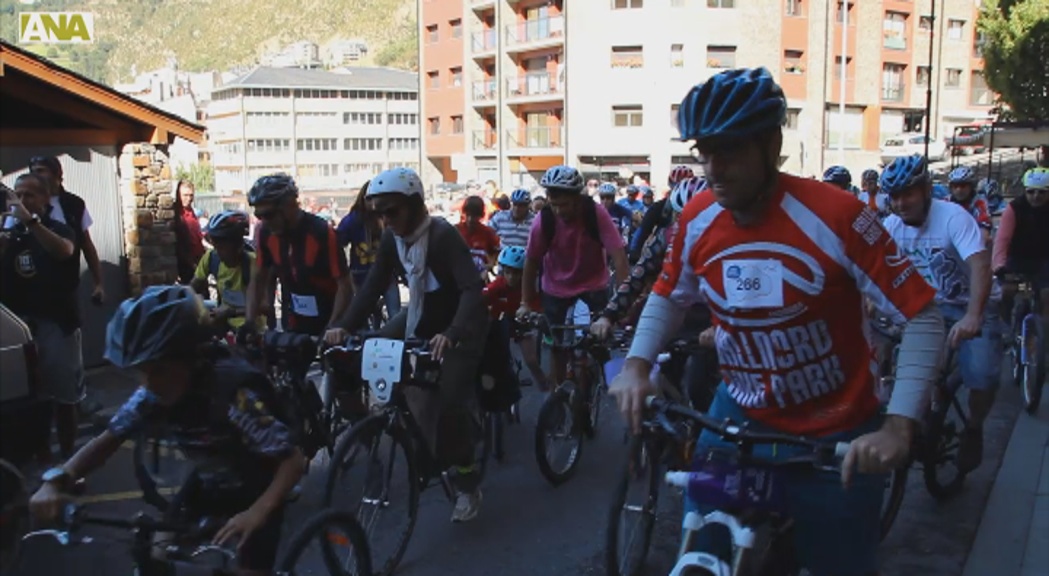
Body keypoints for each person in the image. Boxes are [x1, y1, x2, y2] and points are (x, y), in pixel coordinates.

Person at [608, 67, 945, 576]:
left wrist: (899, 428)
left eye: (730, 151)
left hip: (838, 431)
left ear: (771, 144)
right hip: (736, 418)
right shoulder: (697, 216)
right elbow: (669, 293)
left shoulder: (839, 215)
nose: (713, 168)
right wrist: (635, 365)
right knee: (706, 554)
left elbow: (922, 315)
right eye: (704, 151)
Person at [29, 286, 305, 576]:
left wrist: (257, 512)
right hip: (210, 480)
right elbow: (109, 440)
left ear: (190, 357)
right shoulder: (153, 394)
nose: (149, 385)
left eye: (158, 370)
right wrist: (58, 480)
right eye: (142, 372)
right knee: (157, 554)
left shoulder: (233, 398)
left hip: (258, 485)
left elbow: (293, 460)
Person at [323, 167, 488, 523]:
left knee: (447, 406)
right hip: (419, 315)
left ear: (414, 205)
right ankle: (404, 422)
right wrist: (343, 328)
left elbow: (472, 290)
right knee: (371, 347)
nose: (385, 219)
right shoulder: (390, 239)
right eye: (379, 213)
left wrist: (453, 333)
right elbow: (371, 289)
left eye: (392, 211)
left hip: (460, 324)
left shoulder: (442, 235)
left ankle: (467, 483)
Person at [881, 154, 1000, 473]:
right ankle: (927, 413)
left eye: (908, 194)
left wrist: (974, 315)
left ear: (925, 191)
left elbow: (979, 265)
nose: (901, 203)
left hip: (971, 302)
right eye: (894, 197)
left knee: (983, 373)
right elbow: (877, 268)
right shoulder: (892, 225)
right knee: (909, 364)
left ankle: (973, 428)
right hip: (928, 307)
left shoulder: (953, 218)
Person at [592, 176, 720, 410]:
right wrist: (608, 315)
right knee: (658, 390)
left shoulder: (727, 240)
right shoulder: (665, 237)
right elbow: (636, 279)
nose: (688, 227)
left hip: (711, 324)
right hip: (675, 319)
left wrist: (721, 328)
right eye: (680, 218)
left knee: (698, 387)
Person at [517, 165, 629, 431]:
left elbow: (620, 257)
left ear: (578, 198)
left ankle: (597, 376)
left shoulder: (596, 214)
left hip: (593, 285)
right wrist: (524, 303)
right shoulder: (543, 220)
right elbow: (531, 263)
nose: (560, 211)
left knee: (598, 340)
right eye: (554, 204)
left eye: (565, 205)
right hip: (555, 287)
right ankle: (557, 397)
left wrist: (623, 303)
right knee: (557, 347)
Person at [0, 174, 81, 463]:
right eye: (17, 196)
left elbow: (64, 251)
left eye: (29, 196)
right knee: (31, 399)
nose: (21, 202)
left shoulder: (59, 228)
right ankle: (44, 458)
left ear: (46, 199)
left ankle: (72, 462)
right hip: (20, 329)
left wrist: (31, 223)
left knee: (63, 398)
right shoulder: (9, 233)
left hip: (56, 325)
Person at [243, 173, 352, 338]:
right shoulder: (266, 233)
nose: (264, 221)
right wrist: (249, 322)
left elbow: (344, 285)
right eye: (259, 216)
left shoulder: (321, 231)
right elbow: (258, 278)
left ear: (289, 206)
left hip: (329, 316)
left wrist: (333, 326)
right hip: (294, 318)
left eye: (269, 214)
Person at [993, 167, 1049, 336]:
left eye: (1042, 192)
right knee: (1006, 291)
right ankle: (1005, 325)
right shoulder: (1014, 209)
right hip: (1017, 257)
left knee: (1046, 295)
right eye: (1031, 192)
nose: (1036, 196)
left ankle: (1044, 334)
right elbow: (1002, 240)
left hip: (1044, 259)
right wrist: (999, 266)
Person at [336, 181, 402, 322]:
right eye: (370, 199)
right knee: (361, 316)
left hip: (387, 275)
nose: (373, 205)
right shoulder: (352, 220)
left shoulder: (386, 218)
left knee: (395, 314)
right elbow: (337, 243)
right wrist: (344, 271)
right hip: (361, 276)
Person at [484, 245, 547, 390]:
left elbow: (538, 307)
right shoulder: (497, 286)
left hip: (521, 324)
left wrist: (533, 314)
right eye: (508, 272)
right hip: (499, 323)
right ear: (502, 271)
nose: (512, 277)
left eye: (517, 273)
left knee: (531, 360)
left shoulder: (529, 287)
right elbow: (480, 299)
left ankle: (544, 385)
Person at [191, 210, 265, 333]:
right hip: (225, 324)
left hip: (251, 328)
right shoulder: (211, 258)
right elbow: (193, 286)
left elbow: (264, 307)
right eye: (216, 246)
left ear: (238, 245)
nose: (218, 253)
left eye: (223, 248)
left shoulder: (253, 263)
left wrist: (232, 312)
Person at [456, 195, 501, 280]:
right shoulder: (456, 230)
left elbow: (496, 251)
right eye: (468, 215)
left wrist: (490, 265)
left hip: (480, 278)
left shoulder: (487, 232)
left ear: (480, 216)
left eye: (474, 216)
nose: (470, 219)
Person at [947, 165, 993, 245]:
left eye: (963, 186)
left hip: (971, 241)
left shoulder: (979, 202)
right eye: (955, 186)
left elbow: (984, 227)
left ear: (971, 186)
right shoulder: (946, 201)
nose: (959, 190)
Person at [173, 180, 207, 285]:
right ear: (178, 195)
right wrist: (191, 264)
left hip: (198, 260)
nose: (188, 199)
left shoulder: (191, 212)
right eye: (185, 195)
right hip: (186, 265)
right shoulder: (176, 214)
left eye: (191, 195)